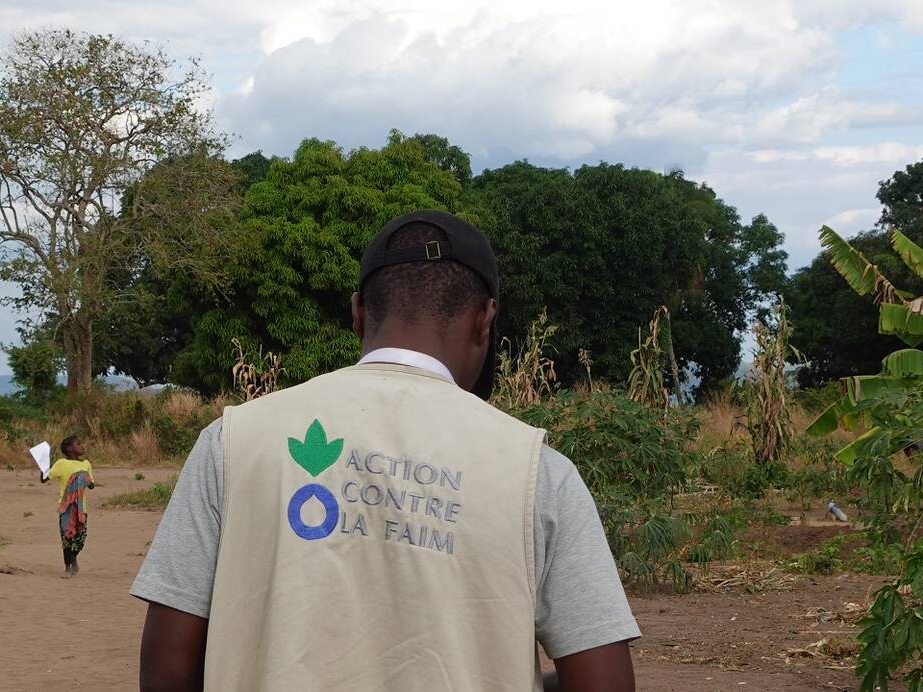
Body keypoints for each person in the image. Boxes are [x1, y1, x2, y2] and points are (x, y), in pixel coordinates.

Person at [131, 210, 639, 691]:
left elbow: (167, 675)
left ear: (357, 313)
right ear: (486, 320)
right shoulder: (538, 473)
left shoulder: (232, 441)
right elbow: (604, 683)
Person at [42, 435, 97, 577]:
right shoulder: (61, 464)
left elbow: (91, 484)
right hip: (66, 508)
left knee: (80, 539)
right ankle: (68, 567)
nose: (82, 446)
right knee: (67, 538)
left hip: (81, 508)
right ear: (69, 448)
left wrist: (87, 481)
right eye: (79, 444)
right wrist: (43, 465)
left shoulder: (86, 464)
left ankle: (73, 558)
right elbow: (44, 478)